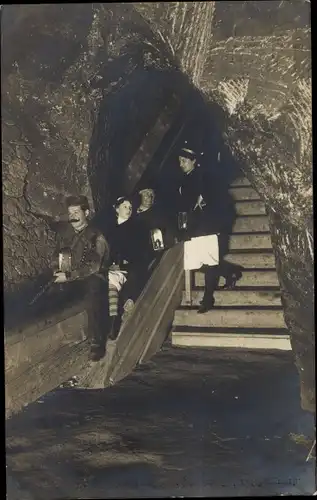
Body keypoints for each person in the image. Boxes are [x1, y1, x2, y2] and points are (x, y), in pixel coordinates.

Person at [176, 140, 243, 313]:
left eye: (184, 160)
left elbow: (218, 198)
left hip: (208, 225)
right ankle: (229, 271)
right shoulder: (184, 180)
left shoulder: (204, 176)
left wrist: (205, 199)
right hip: (193, 228)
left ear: (193, 161)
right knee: (195, 263)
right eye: (179, 161)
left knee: (209, 262)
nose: (181, 164)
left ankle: (207, 299)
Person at [50, 195, 110, 361]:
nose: (73, 216)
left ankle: (97, 341)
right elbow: (56, 256)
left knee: (93, 293)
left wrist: (69, 276)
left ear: (87, 213)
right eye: (70, 213)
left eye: (77, 212)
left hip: (93, 277)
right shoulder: (66, 235)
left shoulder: (97, 236)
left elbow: (94, 266)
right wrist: (56, 270)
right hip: (71, 278)